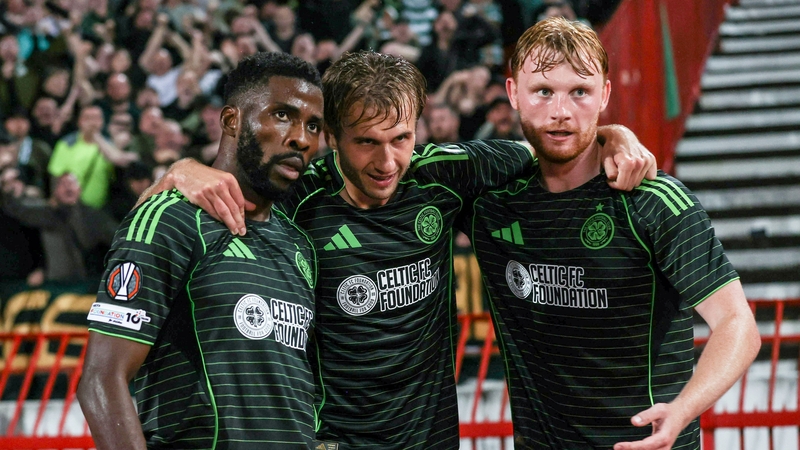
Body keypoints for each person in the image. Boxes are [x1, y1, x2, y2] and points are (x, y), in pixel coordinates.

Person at [140, 50, 655, 449]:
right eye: (367, 142)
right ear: (334, 137)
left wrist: (613, 135)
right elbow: (180, 200)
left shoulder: (445, 172)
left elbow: (554, 144)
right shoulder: (299, 194)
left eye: (402, 138)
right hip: (335, 438)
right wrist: (180, 170)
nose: (389, 161)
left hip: (432, 437)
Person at [458, 17, 761, 449]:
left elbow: (738, 325)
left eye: (579, 92)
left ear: (604, 94)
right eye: (543, 91)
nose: (560, 111)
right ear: (513, 95)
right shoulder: (491, 202)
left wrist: (683, 409)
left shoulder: (654, 201)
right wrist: (613, 135)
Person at [76, 52, 323, 450]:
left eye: (314, 125)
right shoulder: (170, 219)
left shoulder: (299, 244)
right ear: (231, 120)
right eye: (282, 115)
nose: (302, 138)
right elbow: (101, 380)